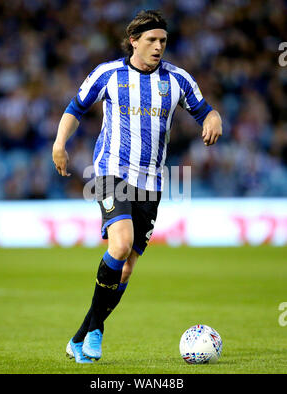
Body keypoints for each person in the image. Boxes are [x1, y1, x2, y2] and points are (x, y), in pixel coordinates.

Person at [52, 9, 222, 364]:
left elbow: (204, 109)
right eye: (151, 40)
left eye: (163, 40)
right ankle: (97, 332)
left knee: (126, 268)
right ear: (134, 41)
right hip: (111, 171)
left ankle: (81, 335)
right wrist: (59, 143)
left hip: (152, 182)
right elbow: (76, 107)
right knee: (121, 242)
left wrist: (214, 118)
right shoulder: (108, 73)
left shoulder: (177, 79)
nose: (159, 46)